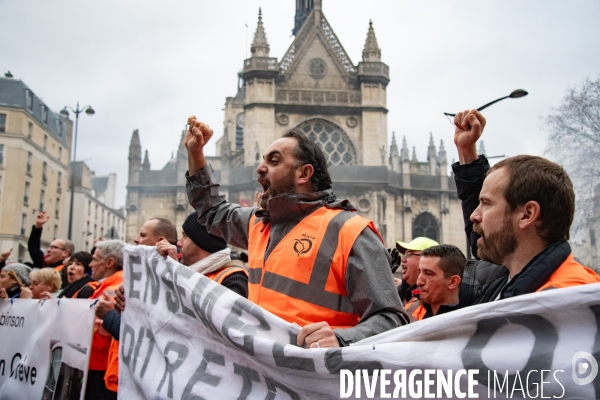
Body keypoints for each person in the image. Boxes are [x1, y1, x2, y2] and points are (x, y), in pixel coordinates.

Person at [184, 116, 408, 348]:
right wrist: (196, 154)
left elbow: (392, 320)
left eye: (274, 161)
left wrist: (342, 339)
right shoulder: (258, 223)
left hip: (315, 377)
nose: (260, 168)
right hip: (264, 372)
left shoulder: (351, 231)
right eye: (263, 161)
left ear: (304, 174)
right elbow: (212, 212)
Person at [452, 109, 600, 305]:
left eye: (486, 204)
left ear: (527, 214)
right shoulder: (511, 279)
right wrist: (466, 153)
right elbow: (484, 235)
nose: (474, 216)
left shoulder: (569, 300)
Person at [156, 211, 249, 297]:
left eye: (185, 236)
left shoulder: (233, 279)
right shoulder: (194, 271)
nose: (179, 243)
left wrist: (177, 273)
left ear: (201, 242)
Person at [87, 240, 126, 400]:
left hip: (102, 368)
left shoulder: (115, 287)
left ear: (110, 262)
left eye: (95, 259)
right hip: (98, 366)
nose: (90, 264)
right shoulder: (106, 285)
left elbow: (100, 333)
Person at [404, 245, 466, 321]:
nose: (418, 282)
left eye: (428, 273)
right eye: (419, 272)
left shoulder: (470, 320)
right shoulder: (409, 310)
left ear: (453, 282)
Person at [28, 211, 74, 288]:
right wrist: (38, 226)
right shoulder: (44, 264)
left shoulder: (70, 271)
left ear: (65, 253)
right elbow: (34, 248)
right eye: (49, 247)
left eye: (54, 247)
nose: (48, 250)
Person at [395, 237, 439, 304]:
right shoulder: (400, 292)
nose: (402, 260)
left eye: (409, 254)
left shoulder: (432, 299)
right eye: (404, 255)